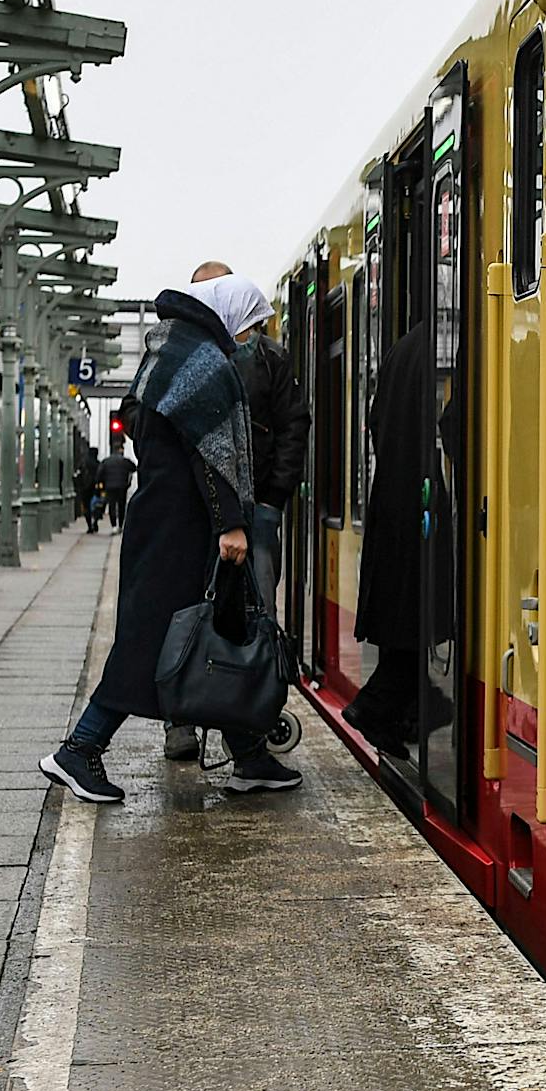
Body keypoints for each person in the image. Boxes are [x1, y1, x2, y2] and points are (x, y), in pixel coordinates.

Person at [39, 275, 301, 803]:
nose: (251, 337)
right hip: (180, 527)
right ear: (227, 314)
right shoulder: (202, 360)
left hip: (167, 519)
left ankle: (249, 756)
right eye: (250, 325)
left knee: (210, 633)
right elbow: (212, 451)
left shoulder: (173, 349)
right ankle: (79, 749)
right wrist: (231, 521)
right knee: (159, 640)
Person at [163, 260, 310, 764]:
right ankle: (183, 718)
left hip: (255, 511)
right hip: (196, 513)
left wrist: (273, 499)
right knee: (189, 610)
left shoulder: (269, 359)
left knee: (255, 614)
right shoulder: (179, 355)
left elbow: (294, 427)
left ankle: (248, 725)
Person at [342, 317, 449, 755]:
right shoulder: (445, 345)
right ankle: (376, 706)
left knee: (405, 621)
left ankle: (397, 715)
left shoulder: (401, 349)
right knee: (416, 615)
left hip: (393, 502)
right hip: (420, 505)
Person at [99, 441, 136, 527]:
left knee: (112, 505)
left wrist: (102, 484)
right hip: (122, 486)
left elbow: (100, 473)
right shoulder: (125, 461)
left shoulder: (106, 461)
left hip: (110, 486)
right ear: (120, 450)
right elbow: (134, 468)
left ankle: (113, 525)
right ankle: (120, 524)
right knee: (121, 505)